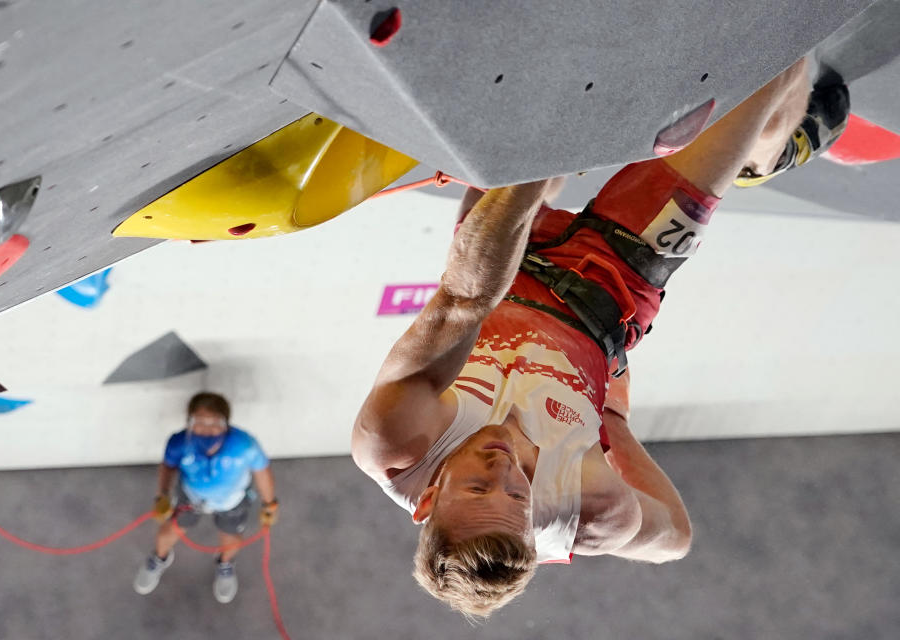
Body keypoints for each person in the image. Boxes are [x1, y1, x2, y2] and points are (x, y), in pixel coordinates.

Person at [351, 59, 848, 617]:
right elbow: (675, 538)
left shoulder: (397, 446)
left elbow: (464, 301)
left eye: (474, 489)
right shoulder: (587, 510)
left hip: (503, 273)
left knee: (519, 132)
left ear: (427, 504)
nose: (501, 470)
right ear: (534, 518)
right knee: (773, 73)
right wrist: (615, 425)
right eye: (517, 496)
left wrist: (542, 151)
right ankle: (760, 155)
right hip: (615, 285)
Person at [133, 392, 279, 603]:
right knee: (167, 533)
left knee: (230, 539)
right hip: (191, 496)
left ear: (226, 424)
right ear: (188, 421)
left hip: (232, 500)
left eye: (215, 422)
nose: (207, 428)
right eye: (199, 421)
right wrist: (162, 495)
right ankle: (158, 558)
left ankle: (225, 564)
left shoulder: (244, 445)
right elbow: (167, 468)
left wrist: (269, 504)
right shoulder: (178, 443)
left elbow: (262, 472)